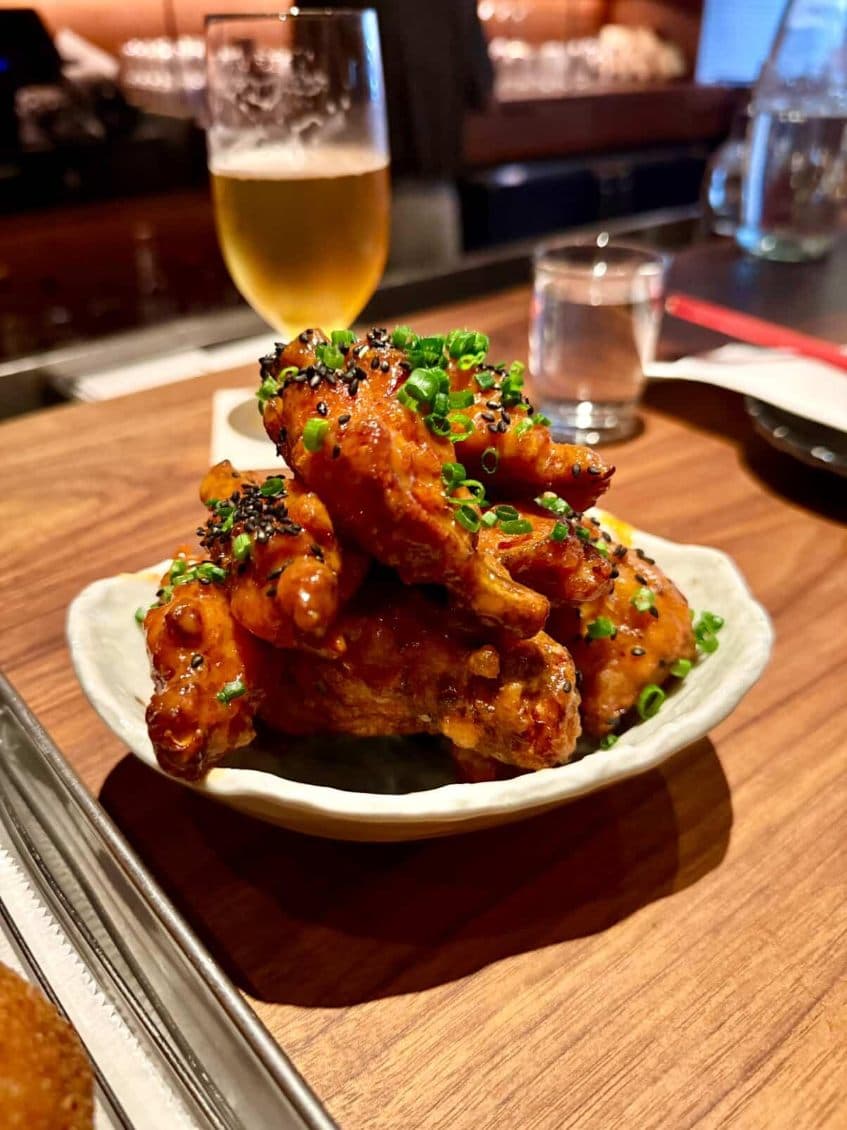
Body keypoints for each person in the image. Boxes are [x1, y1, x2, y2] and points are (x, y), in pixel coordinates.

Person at [298, 0, 494, 266]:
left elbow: (307, 87)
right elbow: (481, 87)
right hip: (425, 191)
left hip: (340, 187)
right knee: (425, 299)